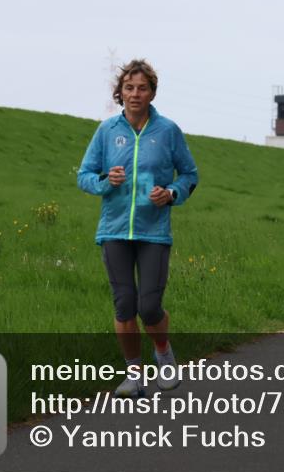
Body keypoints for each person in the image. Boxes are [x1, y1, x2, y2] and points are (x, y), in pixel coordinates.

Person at [77, 59, 199, 397]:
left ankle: (163, 353)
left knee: (148, 306)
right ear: (120, 92)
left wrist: (171, 193)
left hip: (153, 232)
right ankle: (133, 375)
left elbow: (190, 175)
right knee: (124, 304)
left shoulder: (168, 131)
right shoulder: (107, 131)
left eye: (142, 88)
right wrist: (105, 181)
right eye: (129, 88)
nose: (135, 94)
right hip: (114, 230)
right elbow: (84, 176)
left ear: (152, 92)